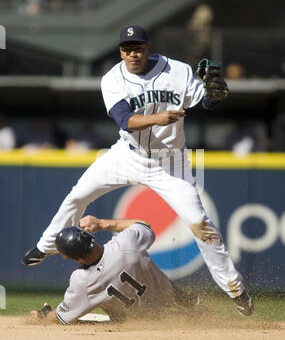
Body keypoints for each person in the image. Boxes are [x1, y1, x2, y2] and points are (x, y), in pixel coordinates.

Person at [22, 25, 254, 317]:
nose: (132, 53)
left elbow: (205, 101)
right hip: (125, 155)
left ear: (148, 47)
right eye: (126, 48)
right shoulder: (112, 79)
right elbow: (125, 120)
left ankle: (235, 289)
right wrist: (158, 117)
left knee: (200, 224)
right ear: (120, 51)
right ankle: (46, 247)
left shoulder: (178, 71)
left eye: (137, 47)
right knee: (77, 196)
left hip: (170, 163)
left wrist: (216, 95)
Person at [30, 216, 200, 324]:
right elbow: (144, 225)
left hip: (138, 324)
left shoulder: (82, 281)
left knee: (97, 313)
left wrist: (45, 314)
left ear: (75, 258)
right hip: (171, 302)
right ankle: (193, 305)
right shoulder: (126, 243)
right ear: (90, 236)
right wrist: (102, 223)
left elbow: (62, 317)